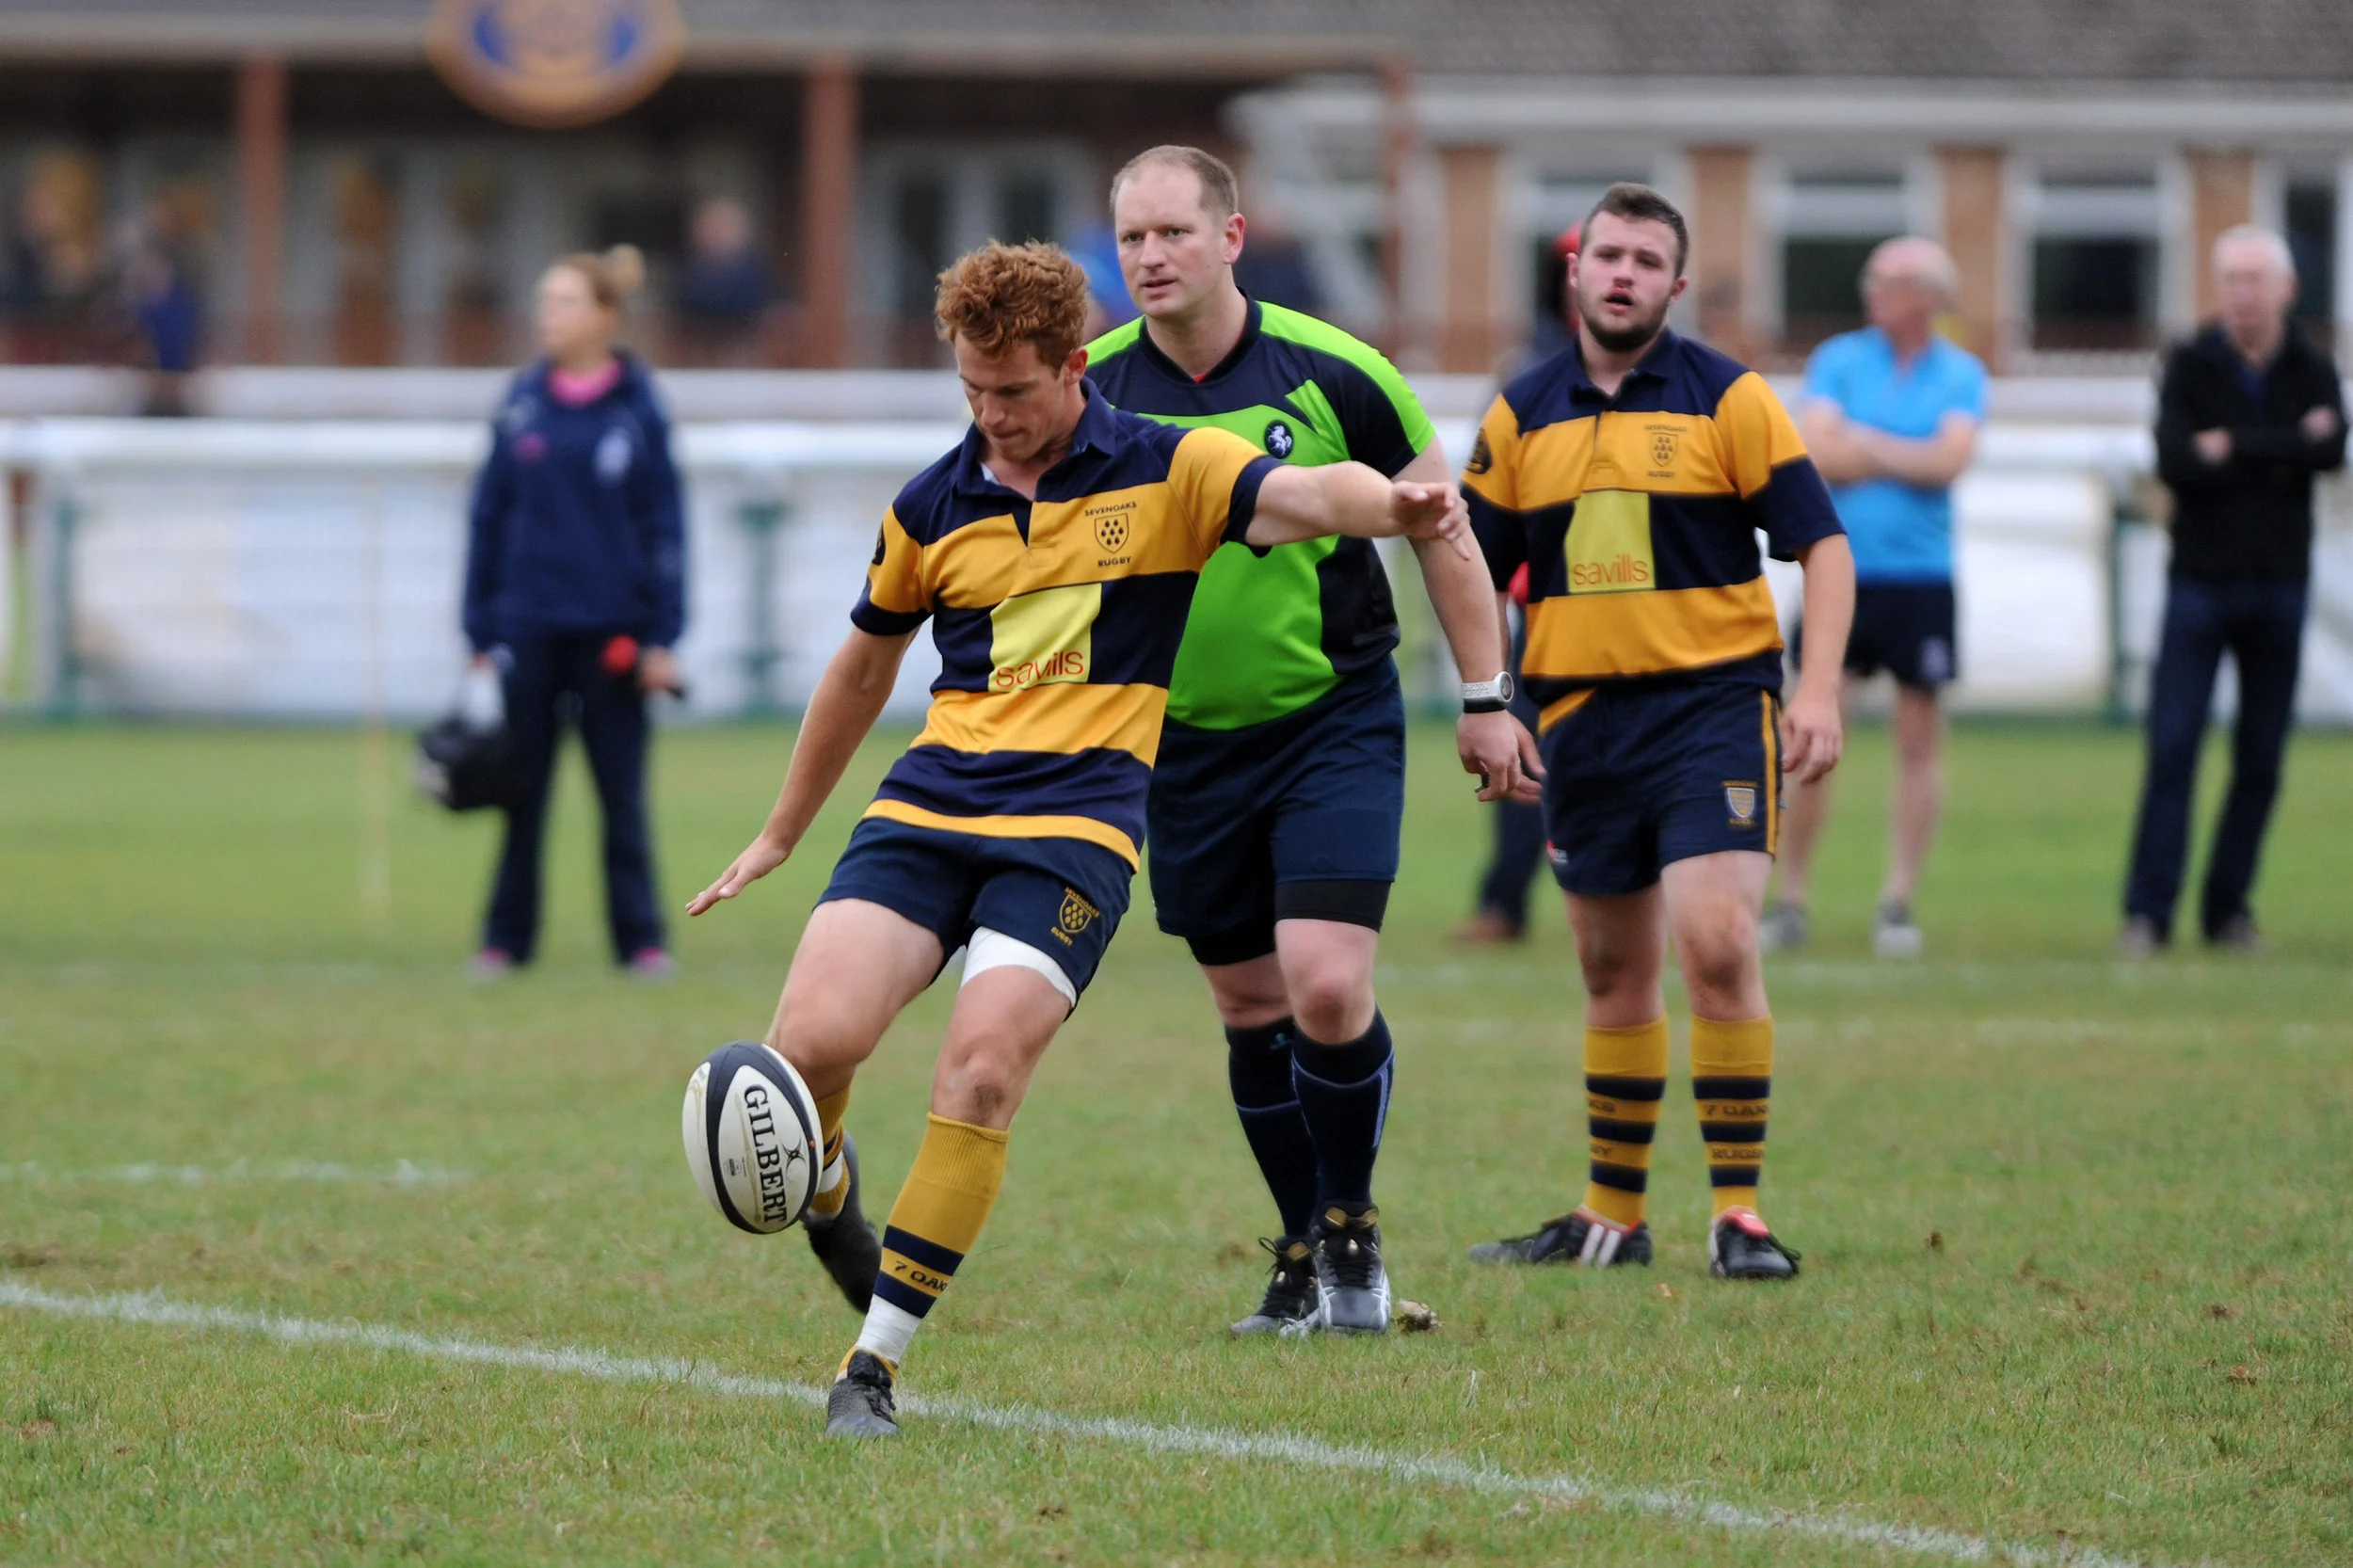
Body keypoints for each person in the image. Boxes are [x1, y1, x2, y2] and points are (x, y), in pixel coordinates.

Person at [683, 241, 1474, 1438]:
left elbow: (1308, 493)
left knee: (983, 1072)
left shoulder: (1169, 468)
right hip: (930, 809)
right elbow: (859, 669)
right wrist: (780, 832)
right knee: (808, 1047)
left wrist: (1399, 501)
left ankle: (872, 1367)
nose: (990, 415)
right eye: (969, 391)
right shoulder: (931, 505)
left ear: (1071, 366)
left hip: (1073, 834)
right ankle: (829, 1177)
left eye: (1011, 391)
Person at [1085, 146, 1534, 1336]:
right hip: (1177, 740)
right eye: (1131, 238)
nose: (1149, 257)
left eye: (1173, 233)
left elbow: (1441, 530)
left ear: (1231, 240)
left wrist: (1486, 696)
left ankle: (1350, 1234)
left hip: (1331, 713)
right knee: (1245, 1005)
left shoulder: (1339, 369)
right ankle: (1296, 1250)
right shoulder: (1090, 388)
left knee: (1327, 985)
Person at [1460, 184, 1853, 1280]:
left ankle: (1740, 1214)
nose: (1623, 274)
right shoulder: (1518, 412)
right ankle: (1610, 1218)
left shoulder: (1729, 398)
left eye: (1646, 261)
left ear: (1673, 287)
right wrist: (1487, 697)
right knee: (1606, 965)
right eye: (1608, 256)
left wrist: (1814, 689)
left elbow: (1822, 545)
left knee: (1718, 942)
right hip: (1581, 719)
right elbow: (1467, 570)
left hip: (1713, 709)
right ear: (1575, 270)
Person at [461, 245, 685, 978]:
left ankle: (641, 941)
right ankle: (505, 940)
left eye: (563, 302)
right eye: (543, 301)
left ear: (605, 316)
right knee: (518, 792)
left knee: (620, 797)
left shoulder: (638, 408)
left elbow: (665, 525)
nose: (546, 316)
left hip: (612, 632)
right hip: (528, 624)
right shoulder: (521, 401)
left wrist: (662, 636)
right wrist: (478, 626)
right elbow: (487, 516)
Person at [2121, 226, 2345, 954]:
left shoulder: (2312, 364)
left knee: (2261, 758)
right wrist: (2280, 445)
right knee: (2173, 748)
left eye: (2256, 280)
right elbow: (2176, 458)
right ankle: (2148, 913)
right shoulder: (2190, 362)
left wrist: (2234, 444)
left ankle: (2228, 911)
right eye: (2231, 281)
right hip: (2200, 584)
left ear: (2286, 288)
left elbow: (2330, 449)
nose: (2243, 295)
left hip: (2280, 583)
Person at [1763, 237, 1986, 959]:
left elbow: (1950, 462)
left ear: (1928, 295)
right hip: (1839, 576)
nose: (1873, 293)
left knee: (1919, 742)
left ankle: (1897, 900)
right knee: (1811, 734)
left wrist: (1862, 441)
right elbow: (1813, 451)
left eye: (1889, 282)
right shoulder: (1838, 359)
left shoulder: (1962, 372)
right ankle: (1792, 898)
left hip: (1922, 580)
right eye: (1871, 280)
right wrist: (1904, 451)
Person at [1458, 223, 1582, 946]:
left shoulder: (1657, 369)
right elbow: (1485, 498)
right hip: (1538, 604)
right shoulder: (1525, 373)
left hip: (1631, 608)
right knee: (1520, 755)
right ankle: (1504, 904)